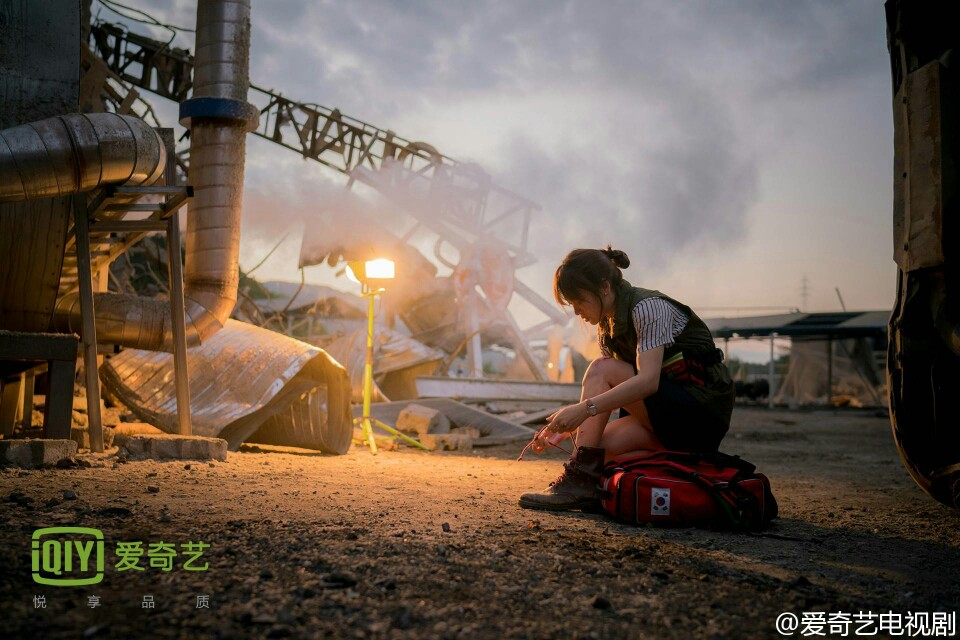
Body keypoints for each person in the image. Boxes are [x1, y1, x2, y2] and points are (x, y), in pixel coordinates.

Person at [519, 246, 735, 512]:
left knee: (601, 369)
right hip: (665, 420)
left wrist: (582, 410)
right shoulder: (606, 328)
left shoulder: (648, 308)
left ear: (605, 287)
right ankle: (587, 483)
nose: (576, 312)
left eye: (579, 301)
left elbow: (647, 382)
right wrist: (562, 430)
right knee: (595, 454)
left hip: (699, 415)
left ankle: (578, 483)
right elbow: (606, 400)